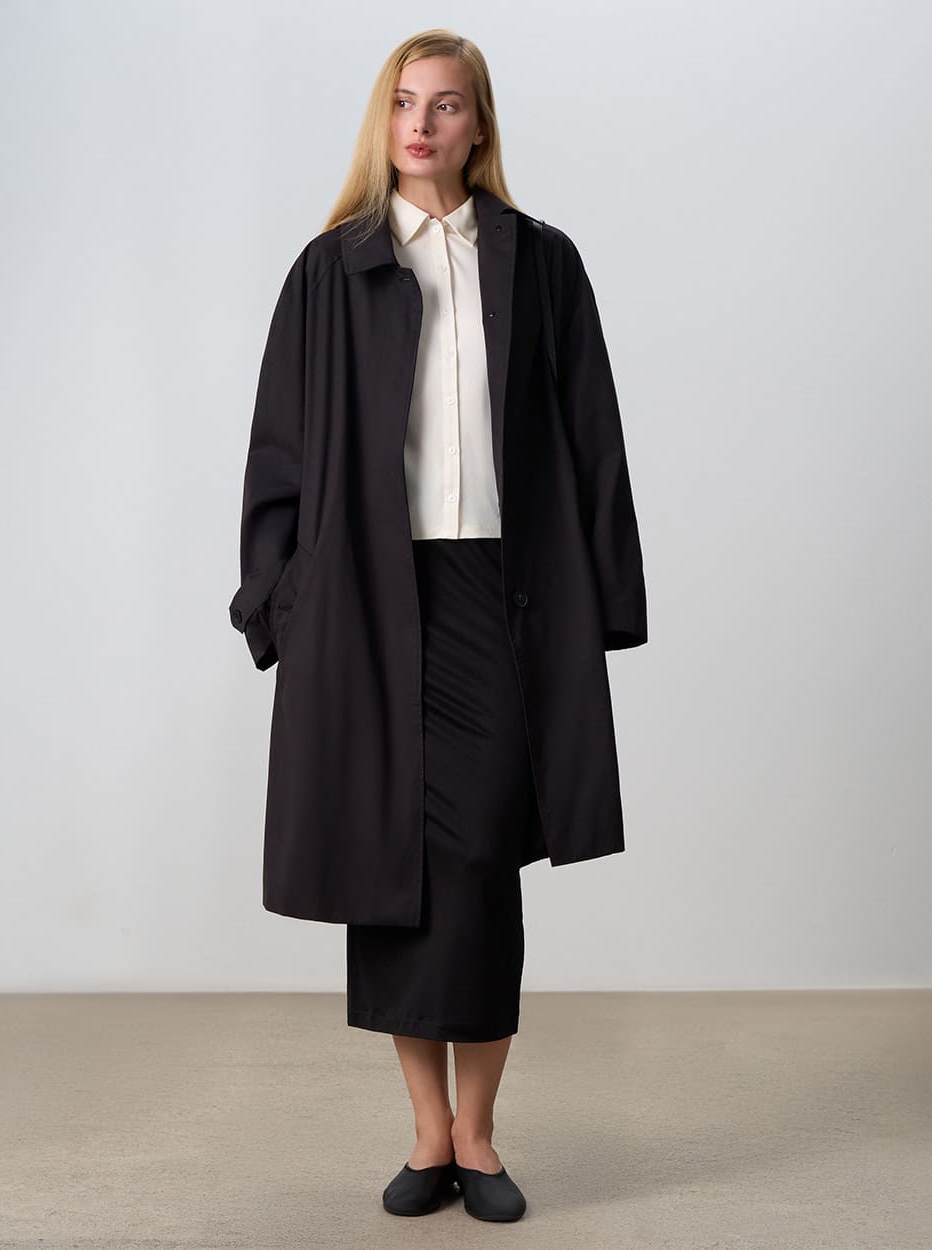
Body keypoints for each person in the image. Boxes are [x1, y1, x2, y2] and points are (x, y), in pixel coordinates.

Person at [229, 28, 647, 1224]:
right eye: (404, 103)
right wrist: (280, 600)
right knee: (390, 867)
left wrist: (607, 597)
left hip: (498, 592)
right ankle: (427, 1131)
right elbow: (278, 450)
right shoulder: (332, 271)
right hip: (365, 594)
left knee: (477, 860)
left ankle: (481, 1128)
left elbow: (593, 437)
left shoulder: (540, 261)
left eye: (445, 104)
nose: (420, 124)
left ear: (479, 125)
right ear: (385, 122)